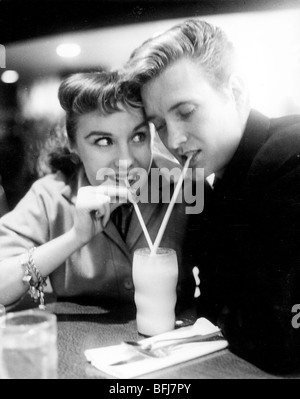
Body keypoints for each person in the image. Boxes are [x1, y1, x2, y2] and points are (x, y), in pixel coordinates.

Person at [123, 18, 300, 373]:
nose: (173, 140)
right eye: (158, 125)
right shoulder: (214, 182)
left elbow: (280, 343)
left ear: (235, 92)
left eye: (186, 112)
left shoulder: (289, 161)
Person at [0, 71, 195, 311]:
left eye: (138, 136)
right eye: (104, 141)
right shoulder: (48, 197)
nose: (126, 161)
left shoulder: (182, 189)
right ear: (73, 144)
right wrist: (75, 237)